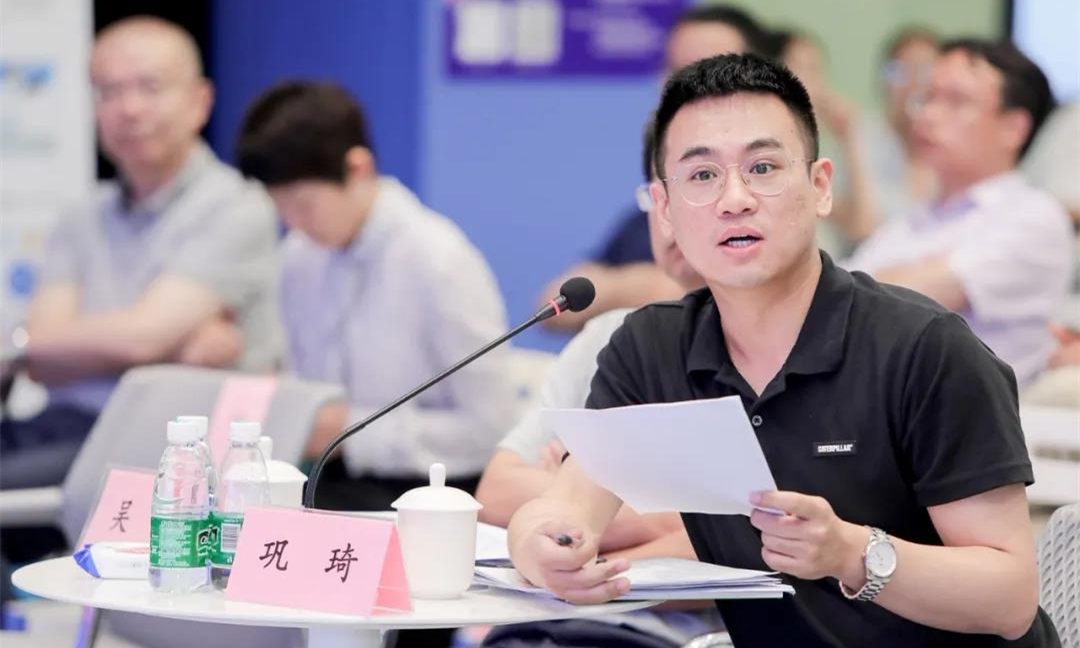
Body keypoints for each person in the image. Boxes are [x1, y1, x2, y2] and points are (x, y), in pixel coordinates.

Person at [507, 54, 1059, 647]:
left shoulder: (926, 349)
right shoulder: (649, 347)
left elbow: (1009, 599)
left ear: (820, 187)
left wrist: (850, 552)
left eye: (763, 167)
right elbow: (564, 508)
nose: (734, 198)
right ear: (664, 209)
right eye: (702, 176)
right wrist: (542, 547)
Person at [0, 16, 281, 491]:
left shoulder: (237, 207)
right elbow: (47, 365)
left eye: (150, 87)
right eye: (108, 91)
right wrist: (173, 349)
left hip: (171, 449)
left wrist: (27, 345)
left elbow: (141, 339)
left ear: (200, 101)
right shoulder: (81, 216)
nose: (128, 109)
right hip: (60, 426)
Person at [477, 123, 717, 647]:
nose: (673, 216)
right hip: (545, 623)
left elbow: (731, 545)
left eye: (701, 182)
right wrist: (656, 515)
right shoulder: (609, 336)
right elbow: (495, 495)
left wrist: (579, 527)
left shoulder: (768, 347)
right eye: (659, 195)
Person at [236, 82, 518, 512]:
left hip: (429, 493)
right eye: (279, 206)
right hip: (327, 476)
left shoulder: (438, 260)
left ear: (358, 168)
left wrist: (351, 431)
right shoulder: (299, 257)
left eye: (305, 204)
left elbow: (490, 431)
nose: (292, 222)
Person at [847, 40, 1072, 386]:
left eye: (956, 101)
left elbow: (892, 302)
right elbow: (836, 293)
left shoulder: (1034, 217)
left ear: (1014, 128)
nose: (928, 115)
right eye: (928, 98)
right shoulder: (912, 219)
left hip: (970, 414)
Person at [538, 4, 769, 334]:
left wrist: (665, 289)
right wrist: (630, 287)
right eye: (676, 70)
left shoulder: (766, 202)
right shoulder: (643, 215)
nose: (689, 87)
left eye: (711, 70)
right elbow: (555, 306)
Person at [767, 29, 877, 256]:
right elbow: (861, 226)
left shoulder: (823, 148)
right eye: (802, 67)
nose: (815, 83)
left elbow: (863, 227)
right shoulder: (776, 151)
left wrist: (848, 140)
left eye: (816, 69)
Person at [863, 27, 941, 226]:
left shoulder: (952, 155)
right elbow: (861, 226)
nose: (913, 85)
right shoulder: (862, 141)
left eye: (925, 71)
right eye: (901, 72)